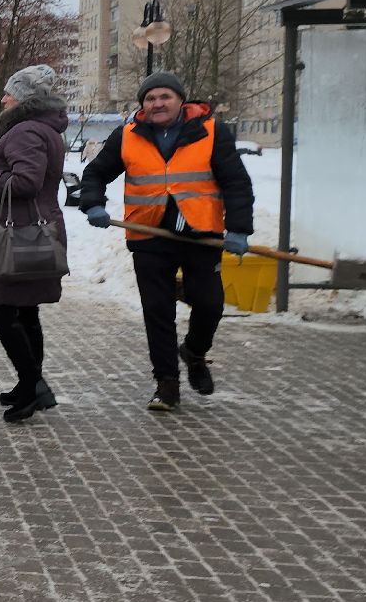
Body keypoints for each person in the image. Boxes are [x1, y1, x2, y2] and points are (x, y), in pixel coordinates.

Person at [77, 71, 254, 411]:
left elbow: (236, 182)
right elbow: (96, 172)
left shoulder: (211, 131)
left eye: (164, 97)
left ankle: (195, 352)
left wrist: (239, 229)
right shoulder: (128, 135)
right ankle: (167, 384)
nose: (157, 104)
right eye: (150, 98)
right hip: (149, 235)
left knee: (209, 304)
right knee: (157, 312)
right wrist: (93, 203)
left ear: (180, 101)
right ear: (142, 105)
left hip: (201, 235)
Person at [0, 64, 69, 423]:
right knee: (25, 310)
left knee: (1, 310)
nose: (3, 98)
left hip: (19, 234)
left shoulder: (26, 130)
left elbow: (26, 181)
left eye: (9, 92)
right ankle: (28, 385)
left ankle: (34, 385)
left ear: (24, 98)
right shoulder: (41, 127)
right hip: (31, 230)